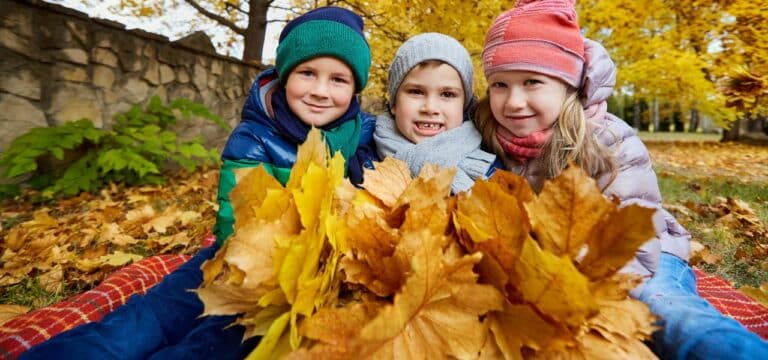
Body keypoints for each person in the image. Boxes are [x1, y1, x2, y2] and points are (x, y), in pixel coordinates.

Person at [20, 6, 377, 360]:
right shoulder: (255, 137)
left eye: (338, 79)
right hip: (232, 258)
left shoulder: (358, 134)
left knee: (210, 344)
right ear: (285, 75)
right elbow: (235, 224)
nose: (320, 90)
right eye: (307, 73)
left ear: (355, 87)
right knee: (146, 322)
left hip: (291, 284)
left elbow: (404, 131)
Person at [474, 0, 768, 359]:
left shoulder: (608, 140)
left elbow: (634, 242)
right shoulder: (488, 136)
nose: (514, 101)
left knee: (669, 317)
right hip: (549, 272)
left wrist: (569, 285)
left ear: (568, 84)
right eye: (500, 85)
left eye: (532, 82)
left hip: (640, 261)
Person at [373, 32, 497, 193]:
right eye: (416, 92)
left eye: (447, 94)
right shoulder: (362, 158)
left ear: (463, 106)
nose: (430, 108)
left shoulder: (490, 165)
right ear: (394, 103)